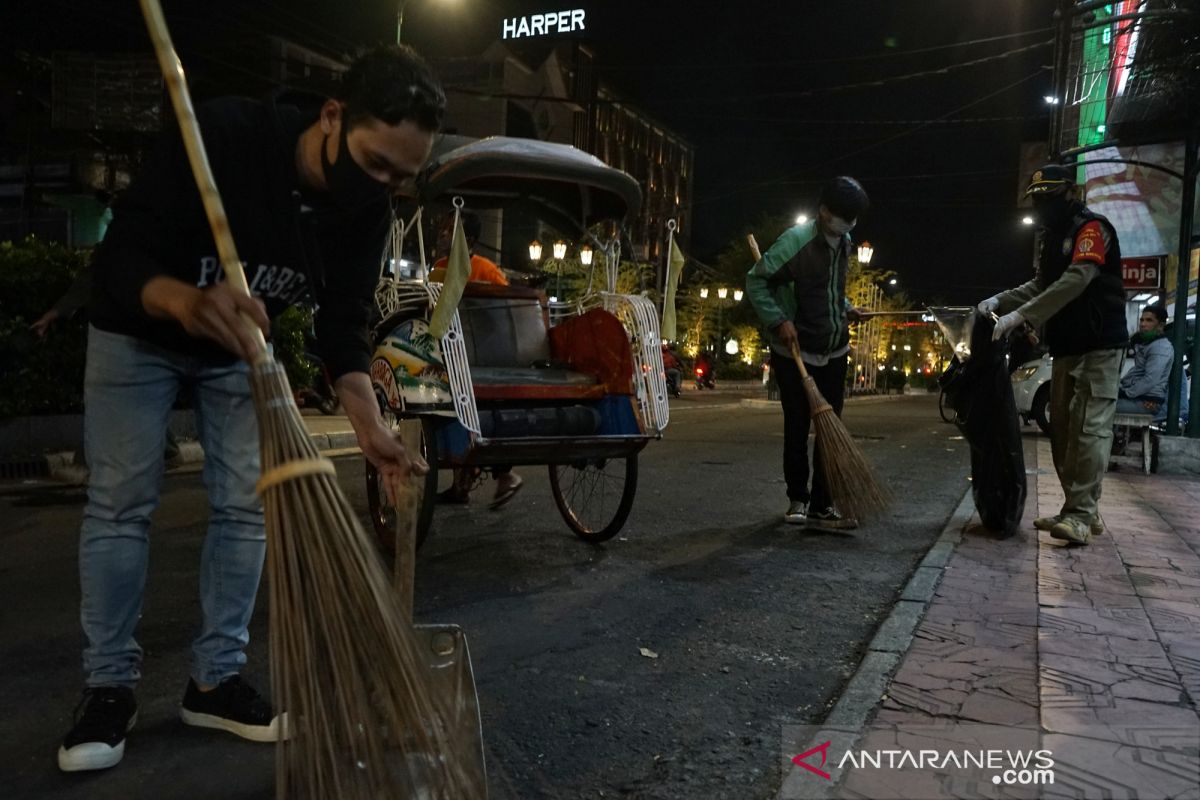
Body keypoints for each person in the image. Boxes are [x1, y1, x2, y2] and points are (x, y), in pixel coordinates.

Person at [57, 45, 445, 773]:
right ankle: (107, 688)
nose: (382, 186)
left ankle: (215, 680)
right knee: (120, 504)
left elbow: (343, 323)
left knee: (245, 504)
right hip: (136, 332)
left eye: (400, 176)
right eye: (375, 162)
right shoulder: (228, 137)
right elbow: (124, 258)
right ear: (334, 117)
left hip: (239, 350)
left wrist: (369, 425)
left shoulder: (365, 209)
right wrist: (188, 300)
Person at [978, 164, 1126, 546]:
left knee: (1089, 429)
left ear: (1070, 192)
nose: (1043, 205)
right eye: (1037, 198)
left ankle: (1080, 515)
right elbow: (1042, 284)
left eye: (1049, 196)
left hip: (1100, 344)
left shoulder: (1092, 229)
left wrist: (1022, 316)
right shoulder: (1051, 236)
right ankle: (1076, 509)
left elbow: (1078, 279)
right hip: (1065, 346)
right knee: (1062, 429)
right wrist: (1002, 301)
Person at [745, 176, 870, 529]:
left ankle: (822, 505)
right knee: (797, 427)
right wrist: (778, 320)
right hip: (796, 352)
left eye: (854, 218)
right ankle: (797, 498)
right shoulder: (795, 243)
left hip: (835, 349)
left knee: (831, 430)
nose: (849, 224)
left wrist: (846, 308)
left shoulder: (844, 242)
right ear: (825, 211)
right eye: (844, 216)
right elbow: (756, 281)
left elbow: (828, 289)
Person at [430, 211, 524, 509]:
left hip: (467, 356)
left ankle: (482, 477)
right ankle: (464, 483)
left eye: (449, 230)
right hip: (482, 355)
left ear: (467, 239)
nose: (443, 236)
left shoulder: (450, 269)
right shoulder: (481, 269)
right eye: (443, 229)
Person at [1117, 302, 1173, 420]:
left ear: (1161, 325)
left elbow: (1150, 380)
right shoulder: (1147, 344)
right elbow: (1138, 371)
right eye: (1142, 320)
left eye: (1149, 320)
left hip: (1148, 402)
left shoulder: (1160, 347)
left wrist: (1126, 393)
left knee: (1101, 407)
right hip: (1138, 397)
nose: (1143, 324)